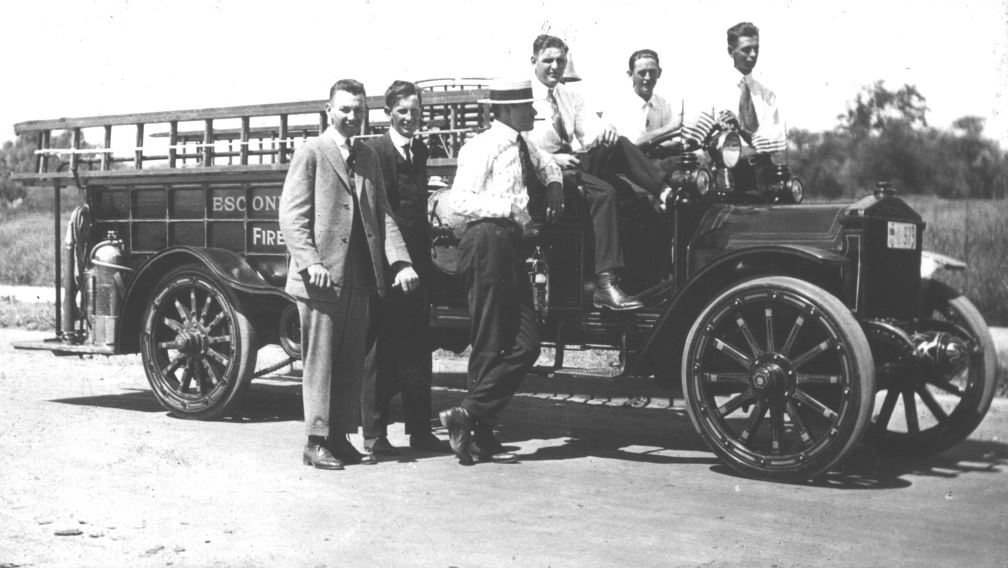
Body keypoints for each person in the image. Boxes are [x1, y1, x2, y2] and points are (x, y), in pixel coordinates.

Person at [279, 79, 419, 471]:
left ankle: (339, 438)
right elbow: (291, 216)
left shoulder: (367, 156)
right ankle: (315, 441)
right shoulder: (312, 152)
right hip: (321, 279)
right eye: (345, 109)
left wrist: (400, 261)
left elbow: (383, 214)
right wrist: (312, 263)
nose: (352, 116)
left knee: (349, 361)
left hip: (359, 276)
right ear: (329, 111)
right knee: (321, 361)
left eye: (359, 109)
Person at [439, 79, 562, 465]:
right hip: (486, 243)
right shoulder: (482, 146)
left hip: (510, 248)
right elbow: (459, 200)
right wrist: (509, 209)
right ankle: (479, 432)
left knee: (527, 344)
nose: (533, 112)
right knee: (490, 340)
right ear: (506, 111)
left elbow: (549, 165)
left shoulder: (525, 146)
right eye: (526, 106)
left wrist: (556, 185)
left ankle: (469, 414)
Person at [527, 34, 676, 310]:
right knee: (605, 192)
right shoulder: (525, 97)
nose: (555, 67)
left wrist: (604, 132)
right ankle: (604, 285)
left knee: (618, 145)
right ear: (533, 61)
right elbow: (520, 145)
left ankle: (664, 191)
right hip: (541, 171)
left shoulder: (568, 95)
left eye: (560, 61)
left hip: (572, 163)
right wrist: (554, 158)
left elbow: (589, 132)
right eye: (548, 60)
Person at [361, 81, 447, 456]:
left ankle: (419, 430)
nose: (411, 118)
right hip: (388, 266)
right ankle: (375, 434)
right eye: (403, 112)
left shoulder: (420, 150)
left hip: (417, 266)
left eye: (416, 111)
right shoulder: (376, 152)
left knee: (418, 346)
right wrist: (396, 264)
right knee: (382, 350)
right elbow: (380, 214)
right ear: (388, 114)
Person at [715, 22, 785, 153]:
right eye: (746, 49)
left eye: (756, 49)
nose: (753, 54)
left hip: (762, 168)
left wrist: (740, 128)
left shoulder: (767, 96)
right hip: (726, 168)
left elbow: (771, 141)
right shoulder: (716, 91)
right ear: (731, 51)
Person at [603, 49, 681, 147]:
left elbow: (673, 141)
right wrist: (671, 127)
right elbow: (633, 144)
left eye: (652, 72)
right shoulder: (617, 105)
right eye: (642, 73)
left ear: (659, 73)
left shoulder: (664, 105)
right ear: (630, 75)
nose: (647, 78)